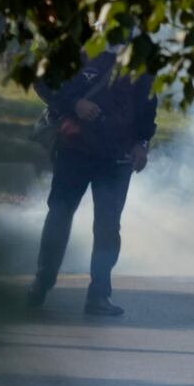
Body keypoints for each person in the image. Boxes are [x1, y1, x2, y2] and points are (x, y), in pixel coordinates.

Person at [26, 44, 158, 316]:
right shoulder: (78, 47)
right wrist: (74, 104)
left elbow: (147, 105)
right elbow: (42, 81)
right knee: (59, 214)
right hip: (75, 150)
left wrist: (142, 142)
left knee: (108, 226)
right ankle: (42, 282)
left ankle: (99, 294)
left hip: (117, 155)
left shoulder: (142, 60)